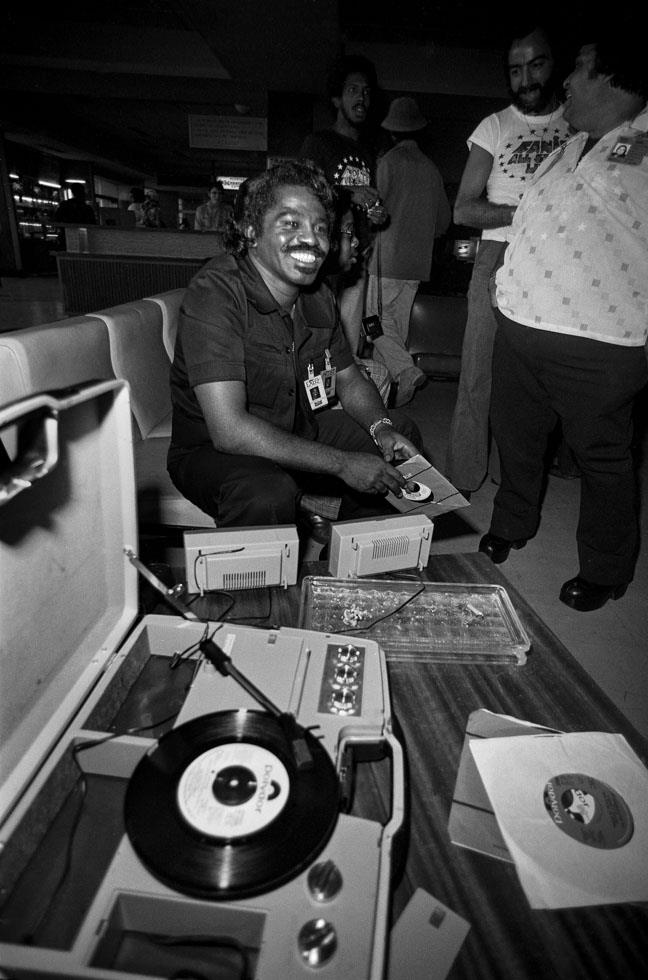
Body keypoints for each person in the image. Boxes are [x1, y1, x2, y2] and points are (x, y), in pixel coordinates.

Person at [478, 31, 648, 612]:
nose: (567, 83)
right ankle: (513, 523)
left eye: (581, 68)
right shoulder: (569, 146)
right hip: (521, 329)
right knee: (518, 441)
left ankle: (606, 568)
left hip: (601, 345)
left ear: (618, 78)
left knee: (603, 459)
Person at [167, 159, 423, 538]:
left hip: (295, 429)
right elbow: (229, 431)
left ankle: (347, 560)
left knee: (400, 433)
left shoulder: (318, 295)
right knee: (267, 492)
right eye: (291, 224)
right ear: (252, 230)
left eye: (321, 228)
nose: (311, 240)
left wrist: (382, 428)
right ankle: (252, 595)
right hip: (213, 453)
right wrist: (340, 464)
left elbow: (349, 380)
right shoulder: (216, 293)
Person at [446, 25, 572, 494]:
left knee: (533, 378)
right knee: (477, 369)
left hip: (559, 257)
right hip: (497, 253)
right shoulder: (494, 127)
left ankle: (518, 476)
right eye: (515, 70)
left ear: (553, 65)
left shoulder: (577, 124)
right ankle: (463, 476)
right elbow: (463, 207)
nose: (526, 79)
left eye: (535, 65)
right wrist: (529, 213)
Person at [299, 54, 388, 355]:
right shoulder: (318, 142)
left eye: (366, 91)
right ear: (337, 99)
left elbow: (370, 200)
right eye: (353, 90)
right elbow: (305, 192)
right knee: (320, 333)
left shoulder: (367, 150)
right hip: (327, 255)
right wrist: (350, 194)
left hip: (358, 255)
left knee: (350, 341)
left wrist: (376, 211)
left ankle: (346, 390)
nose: (362, 98)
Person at [365, 96, 451, 407]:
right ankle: (384, 397)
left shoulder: (387, 163)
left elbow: (373, 210)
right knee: (394, 331)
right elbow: (443, 222)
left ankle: (404, 371)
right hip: (417, 265)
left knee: (371, 321)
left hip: (386, 260)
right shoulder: (432, 170)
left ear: (392, 132)